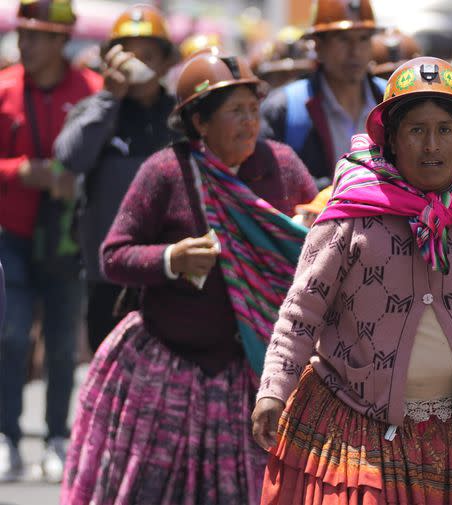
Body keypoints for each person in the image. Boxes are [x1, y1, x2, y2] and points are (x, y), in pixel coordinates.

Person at [251, 56, 452, 504]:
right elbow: (303, 312)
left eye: (445, 129)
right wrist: (274, 389)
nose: (431, 145)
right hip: (357, 428)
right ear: (392, 141)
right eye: (416, 130)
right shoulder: (350, 214)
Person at [60, 53, 315, 504]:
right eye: (235, 111)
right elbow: (113, 256)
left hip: (253, 371)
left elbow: (315, 248)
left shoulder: (282, 167)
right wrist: (170, 259)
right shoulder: (166, 172)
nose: (250, 122)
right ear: (200, 121)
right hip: (168, 366)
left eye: (254, 109)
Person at [0, 0, 102, 483]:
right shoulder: (3, 88)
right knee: (10, 336)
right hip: (11, 238)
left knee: (63, 345)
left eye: (37, 34)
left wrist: (73, 180)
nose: (25, 42)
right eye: (23, 33)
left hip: (68, 240)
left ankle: (59, 435)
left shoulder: (92, 90)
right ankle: (7, 438)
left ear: (62, 41)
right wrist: (24, 171)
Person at [54, 4, 179, 353]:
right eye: (127, 55)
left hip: (169, 273)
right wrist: (109, 97)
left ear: (167, 61)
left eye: (148, 55)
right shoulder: (95, 109)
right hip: (107, 277)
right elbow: (70, 158)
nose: (138, 64)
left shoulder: (182, 117)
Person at [260, 0, 386, 188]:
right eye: (343, 39)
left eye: (363, 38)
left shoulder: (391, 100)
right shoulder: (283, 108)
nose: (355, 51)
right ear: (318, 45)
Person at [252, 26, 317, 89]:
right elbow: (261, 67)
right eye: (289, 46)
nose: (293, 50)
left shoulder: (306, 57)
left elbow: (311, 64)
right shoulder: (270, 56)